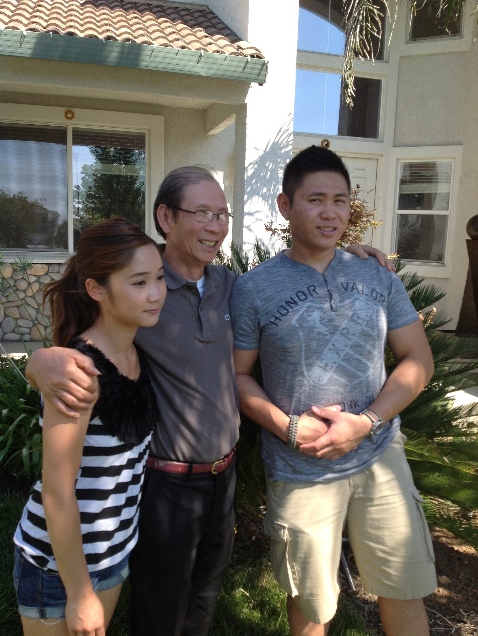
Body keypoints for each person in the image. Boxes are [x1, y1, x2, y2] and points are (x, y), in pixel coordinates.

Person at [25, 166, 394, 636]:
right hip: (165, 484)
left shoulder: (231, 286)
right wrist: (40, 360)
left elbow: (288, 280)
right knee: (161, 614)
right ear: (166, 217)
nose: (216, 226)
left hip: (224, 477)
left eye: (223, 214)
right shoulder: (141, 286)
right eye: (202, 213)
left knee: (202, 607)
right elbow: (91, 336)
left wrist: (345, 256)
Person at [230, 146, 437, 636]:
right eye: (315, 200)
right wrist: (289, 428)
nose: (330, 213)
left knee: (403, 587)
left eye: (340, 201)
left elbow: (418, 359)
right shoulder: (254, 288)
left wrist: (367, 422)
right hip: (301, 467)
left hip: (380, 457)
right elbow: (237, 376)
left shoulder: (377, 274)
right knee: (311, 603)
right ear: (286, 206)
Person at [13, 218, 165, 636]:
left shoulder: (135, 352)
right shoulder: (77, 373)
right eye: (139, 282)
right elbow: (57, 490)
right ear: (97, 289)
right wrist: (79, 593)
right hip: (58, 566)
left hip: (112, 552)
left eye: (159, 278)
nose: (156, 293)